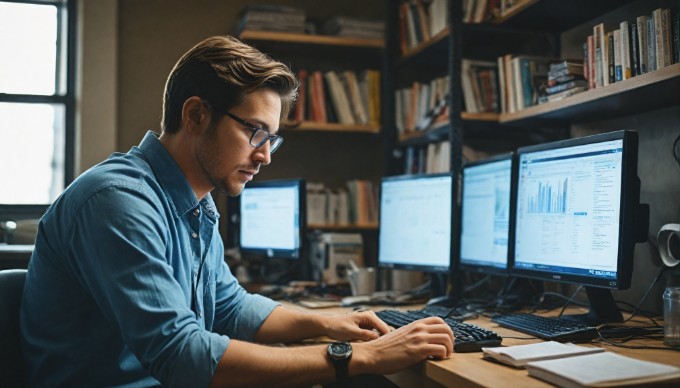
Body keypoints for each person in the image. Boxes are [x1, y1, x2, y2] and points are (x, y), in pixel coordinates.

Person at [20, 35, 454, 387]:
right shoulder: (116, 201)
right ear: (195, 115)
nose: (265, 156)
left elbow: (229, 307)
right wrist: (357, 355)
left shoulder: (196, 202)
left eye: (273, 139)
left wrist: (334, 324)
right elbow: (181, 356)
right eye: (255, 132)